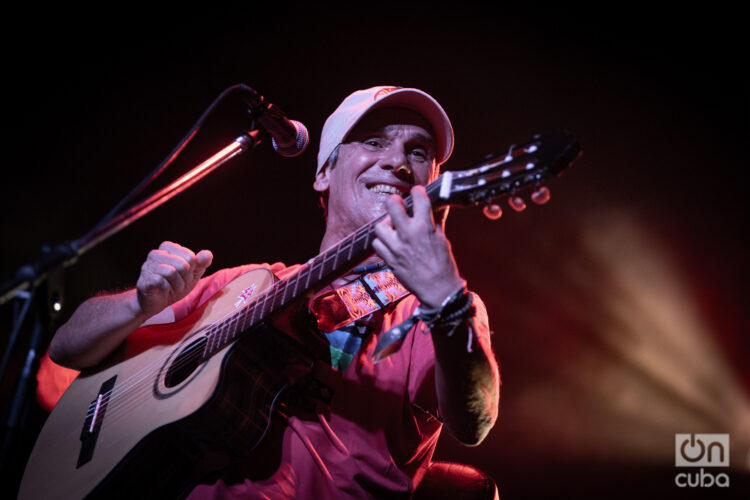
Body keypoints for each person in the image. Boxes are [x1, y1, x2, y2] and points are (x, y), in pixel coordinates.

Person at [48, 86, 501, 499]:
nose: (398, 162)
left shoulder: (438, 308)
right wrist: (137, 304)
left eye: (418, 152)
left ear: (432, 185)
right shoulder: (245, 283)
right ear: (324, 173)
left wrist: (446, 298)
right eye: (374, 141)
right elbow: (68, 346)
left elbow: (473, 421)